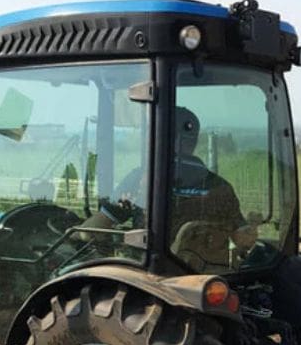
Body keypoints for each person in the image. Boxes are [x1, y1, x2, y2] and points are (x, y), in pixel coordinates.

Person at [88, 107, 258, 267]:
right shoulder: (220, 187)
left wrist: (71, 233)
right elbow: (242, 239)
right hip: (206, 275)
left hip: (147, 274)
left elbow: (93, 229)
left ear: (161, 137)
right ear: (194, 142)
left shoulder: (141, 179)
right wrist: (250, 229)